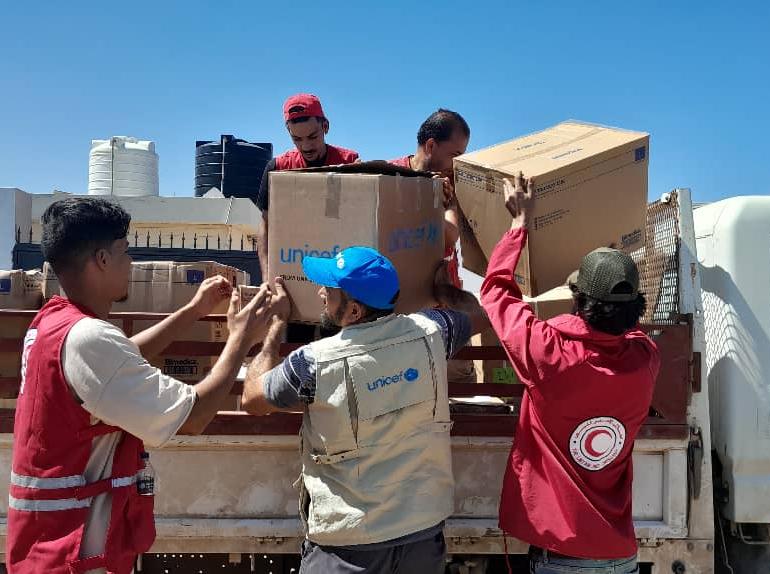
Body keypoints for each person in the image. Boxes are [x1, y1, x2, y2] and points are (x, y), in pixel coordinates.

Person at [6, 197, 286, 574]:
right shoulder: (90, 340)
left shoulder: (53, 324)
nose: (131, 262)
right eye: (124, 251)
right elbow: (193, 417)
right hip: (75, 554)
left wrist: (192, 312)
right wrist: (240, 338)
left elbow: (120, 361)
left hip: (46, 546)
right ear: (102, 259)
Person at [241, 246, 488, 574]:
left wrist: (274, 328)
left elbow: (252, 399)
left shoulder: (313, 362)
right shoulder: (433, 332)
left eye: (330, 290)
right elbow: (480, 314)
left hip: (348, 546)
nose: (320, 293)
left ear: (354, 311)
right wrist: (445, 291)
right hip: (422, 534)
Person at [479, 174, 659, 574]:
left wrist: (519, 224)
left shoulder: (550, 353)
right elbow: (628, 332)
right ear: (635, 308)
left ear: (578, 302)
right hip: (621, 555)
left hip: (562, 557)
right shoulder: (645, 360)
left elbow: (496, 293)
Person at [257, 93, 360, 280]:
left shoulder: (349, 163)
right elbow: (265, 224)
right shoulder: (277, 168)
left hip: (337, 265)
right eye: (297, 139)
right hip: (293, 264)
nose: (306, 146)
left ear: (325, 126)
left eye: (312, 136)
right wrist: (266, 275)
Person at [390, 108, 470, 288]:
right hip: (406, 294)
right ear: (431, 146)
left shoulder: (453, 182)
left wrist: (447, 199)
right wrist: (428, 197)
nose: (457, 165)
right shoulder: (388, 177)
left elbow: (450, 236)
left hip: (445, 294)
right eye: (455, 155)